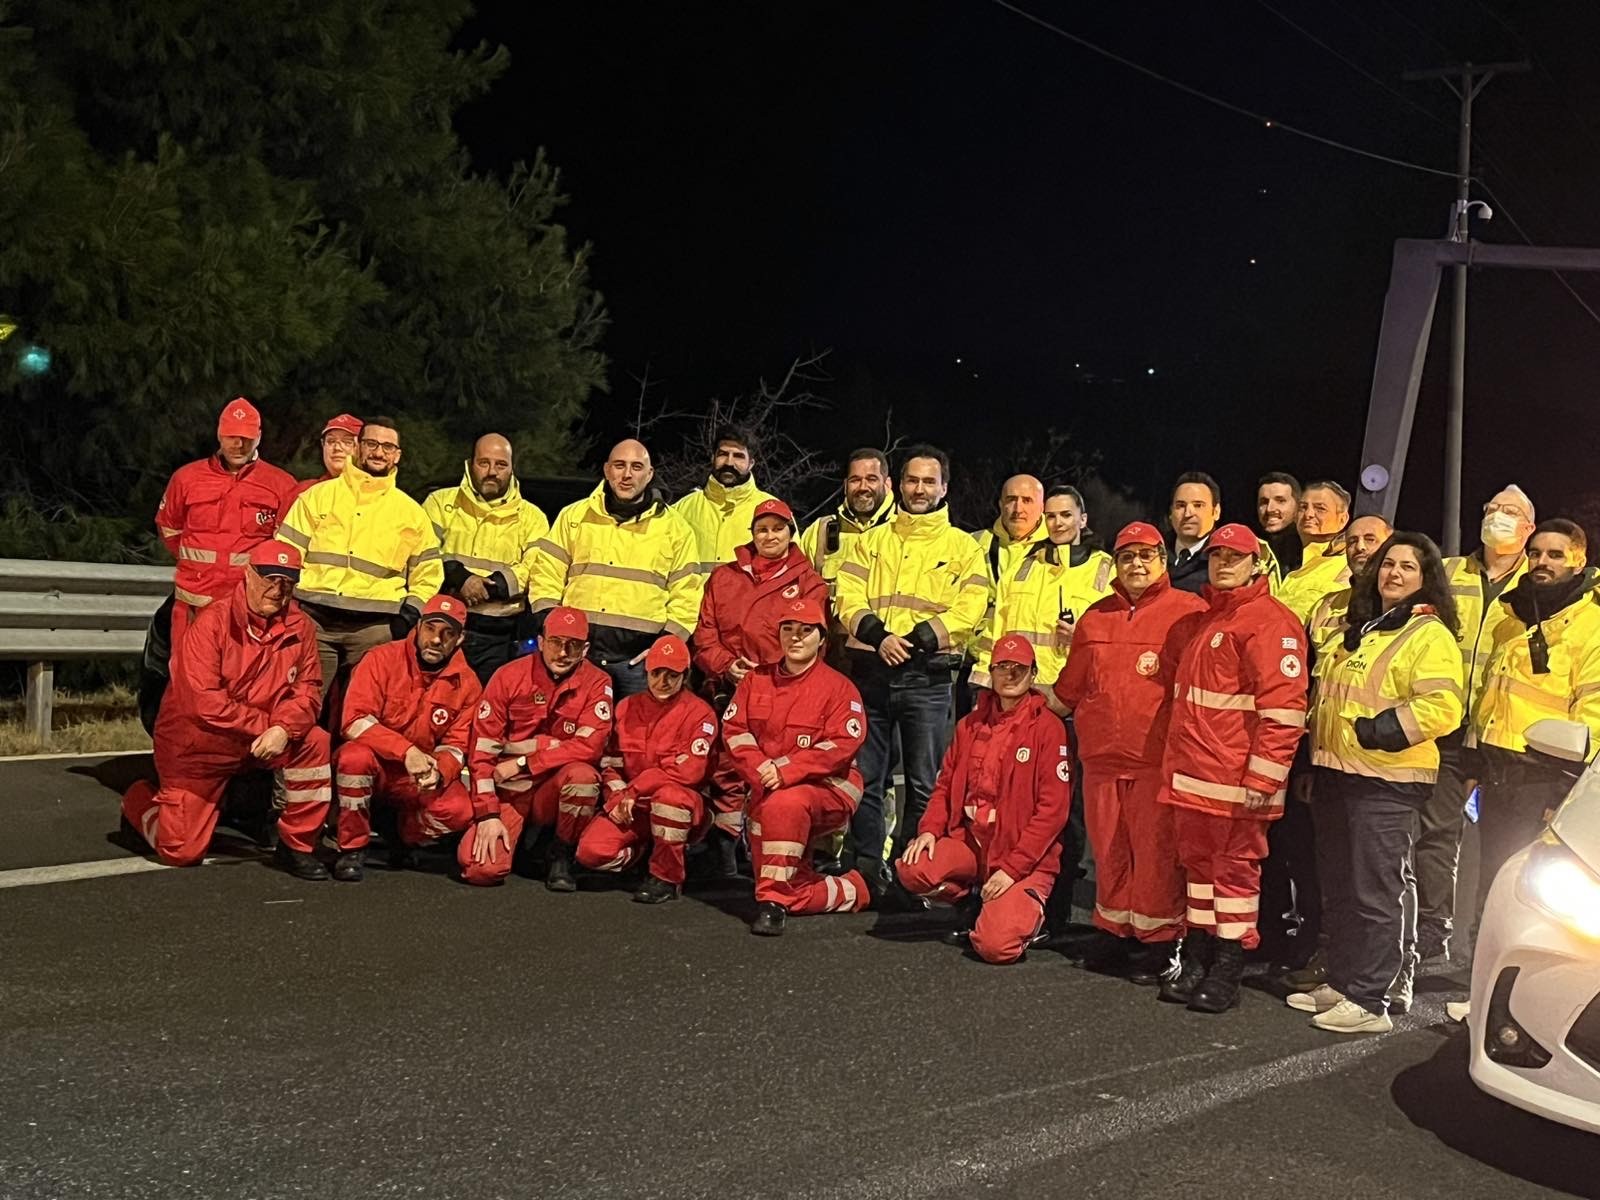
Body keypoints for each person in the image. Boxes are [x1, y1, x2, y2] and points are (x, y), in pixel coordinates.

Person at [1289, 532, 1463, 1034]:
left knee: (1375, 893)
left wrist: (1379, 731)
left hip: (1385, 780)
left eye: (1408, 567)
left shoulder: (1428, 634)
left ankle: (1372, 999)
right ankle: (1343, 982)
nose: (1394, 574)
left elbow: (1443, 706)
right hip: (1337, 775)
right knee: (1341, 889)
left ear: (1426, 578)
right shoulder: (1367, 628)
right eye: (1389, 565)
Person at [1158, 524, 1308, 1013]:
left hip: (1237, 782)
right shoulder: (1206, 620)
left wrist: (1264, 778)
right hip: (1194, 777)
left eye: (1235, 557)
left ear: (1256, 563)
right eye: (1218, 555)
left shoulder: (1271, 622)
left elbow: (1284, 710)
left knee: (1235, 877)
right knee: (1199, 872)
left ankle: (1228, 966)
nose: (1224, 564)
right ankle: (1200, 953)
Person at [119, 544, 332, 879]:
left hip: (260, 741)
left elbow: (308, 691)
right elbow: (202, 702)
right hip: (200, 744)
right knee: (181, 851)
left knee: (315, 741)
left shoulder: (300, 626)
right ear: (248, 575)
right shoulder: (212, 623)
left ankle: (297, 845)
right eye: (270, 579)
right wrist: (268, 725)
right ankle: (139, 801)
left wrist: (284, 728)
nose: (278, 591)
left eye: (288, 583)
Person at [1053, 522, 1206, 980]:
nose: (1136, 564)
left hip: (1155, 757)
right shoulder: (1095, 617)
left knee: (1155, 854)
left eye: (1146, 555)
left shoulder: (1188, 613)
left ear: (1162, 560)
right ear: (1115, 564)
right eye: (1127, 556)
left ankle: (1160, 943)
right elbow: (1071, 688)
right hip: (1102, 756)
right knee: (1110, 850)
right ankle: (1113, 931)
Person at [835, 444, 988, 876]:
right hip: (872, 673)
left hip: (928, 679)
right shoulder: (871, 542)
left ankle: (911, 873)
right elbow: (846, 594)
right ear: (898, 484)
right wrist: (879, 637)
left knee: (925, 785)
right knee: (866, 777)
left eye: (928, 481)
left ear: (944, 487)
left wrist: (918, 640)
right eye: (911, 480)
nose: (919, 489)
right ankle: (866, 868)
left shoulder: (964, 547)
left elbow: (971, 606)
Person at [1270, 512, 1393, 988]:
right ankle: (1328, 959)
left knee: (1377, 881)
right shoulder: (1326, 607)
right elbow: (1310, 682)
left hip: (1382, 767)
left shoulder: (1415, 615)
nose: (1360, 547)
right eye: (1354, 540)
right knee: (1327, 866)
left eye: (1371, 540)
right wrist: (1306, 757)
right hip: (1324, 756)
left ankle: (1376, 981)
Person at [897, 634, 1072, 963]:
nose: (1010, 675)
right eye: (1002, 667)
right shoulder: (969, 724)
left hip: (1020, 855)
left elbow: (1053, 811)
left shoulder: (1048, 729)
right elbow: (945, 785)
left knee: (996, 947)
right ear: (990, 673)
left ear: (1034, 674)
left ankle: (1022, 913)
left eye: (1019, 668)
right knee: (913, 868)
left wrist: (1011, 869)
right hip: (974, 843)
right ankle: (971, 899)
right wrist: (929, 830)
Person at [1414, 485, 1535, 961]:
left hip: (1504, 734)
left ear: (1528, 528)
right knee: (1436, 832)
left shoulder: (1538, 585)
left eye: (1512, 513)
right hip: (1445, 726)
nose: (1499, 518)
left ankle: (1490, 944)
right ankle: (1433, 927)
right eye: (1493, 509)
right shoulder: (1448, 572)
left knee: (1506, 846)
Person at [1469, 519, 1600, 925]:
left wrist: (1567, 786)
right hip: (1499, 770)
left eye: (1556, 555)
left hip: (1549, 776)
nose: (1543, 562)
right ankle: (1478, 977)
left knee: (1536, 889)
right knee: (1493, 879)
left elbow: (1593, 715)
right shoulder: (1513, 618)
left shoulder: (1591, 626)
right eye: (1536, 553)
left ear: (1579, 562)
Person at [721, 598, 876, 935]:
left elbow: (841, 747)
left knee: (783, 808)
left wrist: (785, 769)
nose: (795, 637)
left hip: (830, 786)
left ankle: (772, 904)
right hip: (769, 785)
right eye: (788, 629)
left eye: (806, 631)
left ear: (822, 639)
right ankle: (853, 890)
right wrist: (762, 769)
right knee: (788, 871)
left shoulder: (839, 688)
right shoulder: (756, 680)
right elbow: (734, 731)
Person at [693, 498, 829, 856]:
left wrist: (767, 675)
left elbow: (808, 639)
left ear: (790, 532)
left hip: (779, 690)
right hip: (725, 685)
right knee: (724, 765)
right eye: (762, 529)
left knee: (769, 768)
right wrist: (726, 665)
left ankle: (765, 847)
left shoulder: (807, 582)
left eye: (778, 528)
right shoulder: (724, 577)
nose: (770, 536)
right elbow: (705, 633)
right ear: (752, 534)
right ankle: (724, 847)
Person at [276, 416, 443, 694]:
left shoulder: (411, 512)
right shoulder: (316, 497)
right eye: (372, 444)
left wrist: (407, 616)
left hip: (375, 629)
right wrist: (290, 607)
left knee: (364, 714)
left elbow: (428, 573)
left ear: (397, 455)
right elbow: (285, 554)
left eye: (388, 447)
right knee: (302, 707)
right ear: (358, 447)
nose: (379, 452)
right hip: (315, 623)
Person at [528, 439, 702, 700]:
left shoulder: (675, 529)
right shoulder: (574, 517)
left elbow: (687, 594)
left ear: (650, 474)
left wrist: (665, 644)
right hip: (576, 654)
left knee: (633, 738)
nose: (627, 475)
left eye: (637, 467)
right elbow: (546, 574)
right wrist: (551, 627)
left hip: (637, 663)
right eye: (620, 466)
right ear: (607, 470)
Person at [456, 606, 613, 889]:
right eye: (555, 642)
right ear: (541, 642)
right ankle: (522, 843)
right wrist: (488, 814)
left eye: (573, 645)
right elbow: (481, 752)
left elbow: (589, 747)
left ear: (586, 649)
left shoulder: (598, 683)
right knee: (480, 870)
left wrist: (524, 761)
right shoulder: (508, 676)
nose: (563, 653)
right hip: (510, 792)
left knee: (583, 777)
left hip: (551, 788)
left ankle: (561, 854)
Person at [330, 594, 481, 882]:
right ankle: (352, 848)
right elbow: (353, 721)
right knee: (353, 758)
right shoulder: (381, 658)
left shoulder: (468, 683)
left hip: (416, 775)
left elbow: (459, 745)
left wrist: (439, 771)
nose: (436, 640)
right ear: (419, 626)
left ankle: (402, 835)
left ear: (460, 640)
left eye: (448, 633)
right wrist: (405, 751)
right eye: (431, 629)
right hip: (377, 764)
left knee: (459, 810)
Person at [575, 635, 719, 903]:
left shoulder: (700, 714)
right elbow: (611, 762)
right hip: (634, 805)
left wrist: (636, 789)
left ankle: (666, 877)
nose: (662, 682)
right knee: (590, 853)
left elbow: (689, 773)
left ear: (685, 675)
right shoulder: (626, 707)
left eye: (672, 675)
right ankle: (642, 854)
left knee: (670, 799)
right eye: (656, 673)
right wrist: (618, 797)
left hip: (681, 803)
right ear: (646, 672)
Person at [156, 397, 297, 653]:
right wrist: (196, 565)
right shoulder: (186, 479)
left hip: (248, 604)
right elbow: (169, 529)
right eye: (231, 436)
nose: (239, 444)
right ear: (219, 434)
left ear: (259, 437)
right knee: (186, 680)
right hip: (194, 602)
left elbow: (284, 548)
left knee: (243, 682)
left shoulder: (281, 485)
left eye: (246, 437)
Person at [422, 433, 551, 683]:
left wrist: (494, 586)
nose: (492, 471)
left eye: (501, 465)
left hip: (500, 638)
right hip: (443, 628)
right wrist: (459, 577)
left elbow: (536, 567)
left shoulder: (532, 518)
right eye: (484, 463)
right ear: (470, 464)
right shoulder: (439, 503)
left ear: (512, 468)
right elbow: (424, 553)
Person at [975, 485, 1113, 691]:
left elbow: (1119, 636)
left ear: (1083, 519)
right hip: (1020, 692)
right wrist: (982, 686)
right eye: (1050, 516)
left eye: (1066, 515)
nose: (1058, 523)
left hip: (1078, 693)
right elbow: (995, 633)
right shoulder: (1021, 568)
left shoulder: (1108, 570)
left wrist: (1083, 637)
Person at [969, 474, 1045, 686]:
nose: (1018, 508)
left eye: (1027, 500)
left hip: (1032, 670)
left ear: (1042, 506)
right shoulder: (973, 544)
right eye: (1011, 499)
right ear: (1001, 504)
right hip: (978, 666)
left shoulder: (1055, 551)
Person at [672, 428, 775, 575]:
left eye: (738, 456)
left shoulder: (772, 510)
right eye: (723, 454)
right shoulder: (683, 508)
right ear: (712, 457)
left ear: (751, 463)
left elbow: (790, 569)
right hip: (696, 598)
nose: (729, 462)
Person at [798, 448, 896, 593]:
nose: (863, 487)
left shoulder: (903, 532)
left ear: (887, 485)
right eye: (855, 480)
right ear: (845, 486)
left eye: (871, 479)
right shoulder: (819, 532)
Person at [1275, 480, 1353, 623]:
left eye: (1320, 509)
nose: (1308, 514)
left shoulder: (1347, 566)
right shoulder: (1278, 559)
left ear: (1343, 519)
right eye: (1303, 507)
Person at [1166, 472, 1222, 594]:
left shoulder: (1224, 560)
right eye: (1180, 505)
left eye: (1198, 505)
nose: (1188, 514)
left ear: (1216, 512)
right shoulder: (1151, 555)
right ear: (1171, 513)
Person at [290, 413, 364, 501]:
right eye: (331, 441)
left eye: (347, 442)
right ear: (322, 445)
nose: (337, 448)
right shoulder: (303, 491)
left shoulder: (375, 493)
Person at [1256, 471, 1303, 584]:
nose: (1270, 509)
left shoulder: (1307, 551)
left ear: (1298, 505)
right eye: (1264, 502)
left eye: (1280, 501)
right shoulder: (1250, 547)